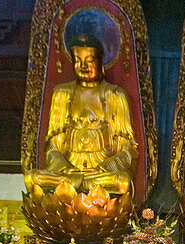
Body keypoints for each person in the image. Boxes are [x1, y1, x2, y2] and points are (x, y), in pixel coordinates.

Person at [23, 32, 136, 198]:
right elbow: (53, 148)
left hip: (99, 175)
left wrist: (103, 168)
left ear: (101, 62)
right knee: (32, 178)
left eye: (90, 60)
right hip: (68, 174)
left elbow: (128, 150)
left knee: (123, 182)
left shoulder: (115, 95)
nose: (83, 65)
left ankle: (80, 187)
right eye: (78, 60)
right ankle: (77, 187)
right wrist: (66, 168)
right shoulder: (62, 94)